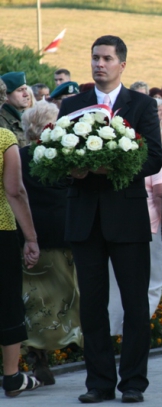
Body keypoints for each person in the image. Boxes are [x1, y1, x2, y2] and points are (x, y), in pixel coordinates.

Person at [57, 35, 162, 404]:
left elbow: (154, 158)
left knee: (135, 304)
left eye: (106, 58)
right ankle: (99, 383)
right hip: (84, 218)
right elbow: (55, 158)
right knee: (92, 305)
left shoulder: (142, 104)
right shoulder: (73, 104)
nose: (99, 64)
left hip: (127, 218)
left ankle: (133, 382)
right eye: (95, 58)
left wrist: (112, 167)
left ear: (122, 64)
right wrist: (72, 170)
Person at [19, 102, 82, 387]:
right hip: (64, 235)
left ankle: (37, 351)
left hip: (29, 237)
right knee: (68, 296)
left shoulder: (19, 156)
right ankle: (75, 342)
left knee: (33, 299)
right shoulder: (63, 154)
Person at [0, 77, 41, 397]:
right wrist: (31, 238)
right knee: (7, 300)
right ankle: (12, 376)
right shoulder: (4, 138)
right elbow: (15, 191)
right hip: (2, 230)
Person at [108, 127, 162, 337]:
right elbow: (160, 194)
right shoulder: (152, 148)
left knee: (116, 286)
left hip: (116, 224)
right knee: (152, 283)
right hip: (149, 225)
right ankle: (131, 334)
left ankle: (114, 334)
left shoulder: (112, 145)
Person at [0, 72, 29, 147]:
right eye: (20, 90)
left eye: (26, 89)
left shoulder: (27, 118)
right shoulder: (2, 121)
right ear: (5, 95)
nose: (26, 94)